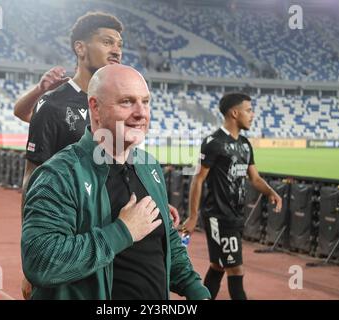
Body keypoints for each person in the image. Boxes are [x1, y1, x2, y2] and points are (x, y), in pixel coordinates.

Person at [15, 12, 178, 299]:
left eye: (119, 43)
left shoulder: (119, 100)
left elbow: (124, 167)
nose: (117, 49)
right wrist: (28, 256)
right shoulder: (53, 105)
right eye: (107, 41)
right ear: (80, 48)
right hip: (82, 245)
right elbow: (32, 180)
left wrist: (156, 205)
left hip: (126, 248)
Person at [21, 64, 210, 300]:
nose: (141, 113)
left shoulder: (150, 167)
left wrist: (195, 288)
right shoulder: (60, 174)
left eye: (146, 101)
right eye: (127, 102)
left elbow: (166, 240)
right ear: (95, 108)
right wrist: (123, 231)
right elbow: (41, 262)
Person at [182, 93, 282, 300]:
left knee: (218, 265)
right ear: (234, 113)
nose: (252, 115)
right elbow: (198, 179)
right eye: (248, 110)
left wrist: (271, 192)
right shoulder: (213, 142)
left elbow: (254, 178)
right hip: (219, 217)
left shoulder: (245, 144)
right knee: (236, 270)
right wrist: (193, 216)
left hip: (235, 216)